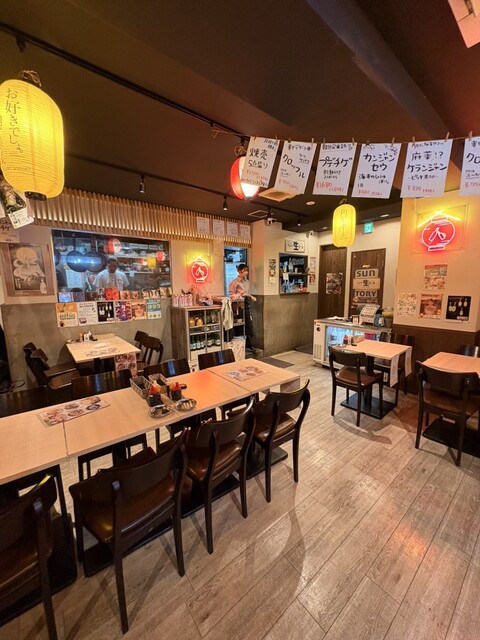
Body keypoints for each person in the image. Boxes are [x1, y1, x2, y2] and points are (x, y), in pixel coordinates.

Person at [228, 263, 256, 350]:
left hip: (246, 303)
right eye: (245, 270)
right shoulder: (234, 282)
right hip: (237, 306)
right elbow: (231, 295)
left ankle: (249, 344)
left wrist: (249, 296)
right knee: (239, 325)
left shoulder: (247, 282)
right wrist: (239, 295)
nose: (246, 272)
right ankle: (239, 346)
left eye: (247, 271)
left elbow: (246, 293)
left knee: (249, 324)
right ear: (240, 271)